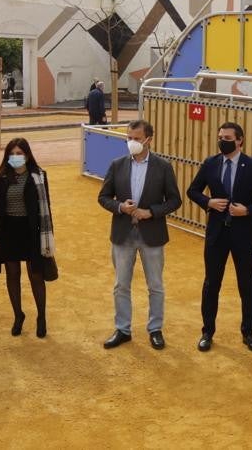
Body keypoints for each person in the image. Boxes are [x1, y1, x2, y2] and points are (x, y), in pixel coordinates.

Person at [186, 121, 252, 353]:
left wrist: (248, 210)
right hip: (216, 234)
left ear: (239, 140)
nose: (222, 141)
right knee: (211, 283)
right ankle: (207, 332)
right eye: (220, 136)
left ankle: (248, 332)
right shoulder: (210, 163)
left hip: (243, 234)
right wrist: (208, 202)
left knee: (247, 285)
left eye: (227, 137)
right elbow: (192, 190)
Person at [97, 120, 182, 350]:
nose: (132, 142)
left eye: (136, 138)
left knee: (155, 285)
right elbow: (103, 197)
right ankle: (122, 329)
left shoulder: (163, 167)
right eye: (129, 137)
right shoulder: (117, 165)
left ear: (148, 140)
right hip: (123, 234)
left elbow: (175, 200)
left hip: (152, 235)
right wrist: (120, 207)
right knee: (121, 285)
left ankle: (155, 329)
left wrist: (151, 212)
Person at [0, 138, 58, 339]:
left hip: (32, 232)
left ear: (27, 155)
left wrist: (48, 236)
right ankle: (18, 315)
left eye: (20, 153)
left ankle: (41, 317)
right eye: (12, 153)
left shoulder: (39, 176)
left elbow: (46, 208)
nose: (16, 157)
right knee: (12, 274)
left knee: (36, 274)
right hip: (7, 232)